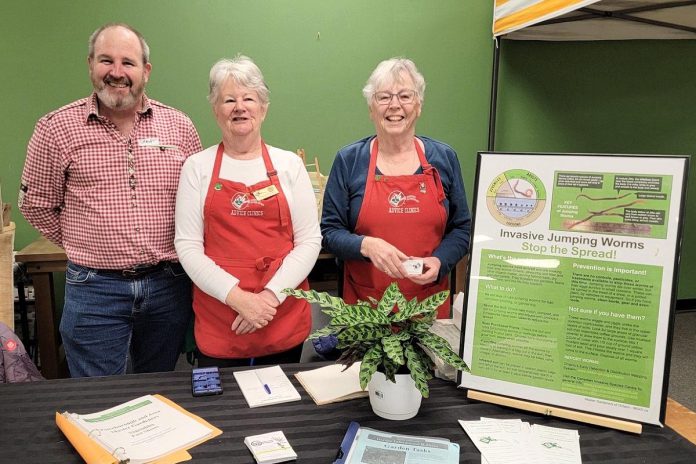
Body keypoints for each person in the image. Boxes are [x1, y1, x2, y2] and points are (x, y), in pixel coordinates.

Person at [19, 23, 202, 377]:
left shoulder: (179, 127)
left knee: (160, 390)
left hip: (168, 284)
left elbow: (195, 203)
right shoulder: (55, 128)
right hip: (94, 289)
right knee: (98, 399)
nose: (117, 73)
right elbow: (37, 204)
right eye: (106, 60)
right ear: (90, 65)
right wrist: (87, 242)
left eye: (128, 63)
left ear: (145, 71)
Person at [175, 55, 321, 368]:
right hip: (221, 316)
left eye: (248, 98)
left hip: (280, 313)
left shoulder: (289, 165)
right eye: (228, 100)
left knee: (283, 407)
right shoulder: (196, 167)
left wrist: (268, 299)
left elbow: (310, 240)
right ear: (216, 110)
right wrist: (238, 299)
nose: (239, 107)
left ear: (263, 108)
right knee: (224, 412)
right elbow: (187, 247)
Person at [321, 57, 471, 318]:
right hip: (365, 312)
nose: (394, 105)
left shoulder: (443, 158)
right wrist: (366, 245)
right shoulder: (349, 160)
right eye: (384, 97)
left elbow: (461, 228)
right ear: (371, 108)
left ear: (419, 106)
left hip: (427, 309)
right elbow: (329, 232)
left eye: (405, 96)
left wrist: (440, 260)